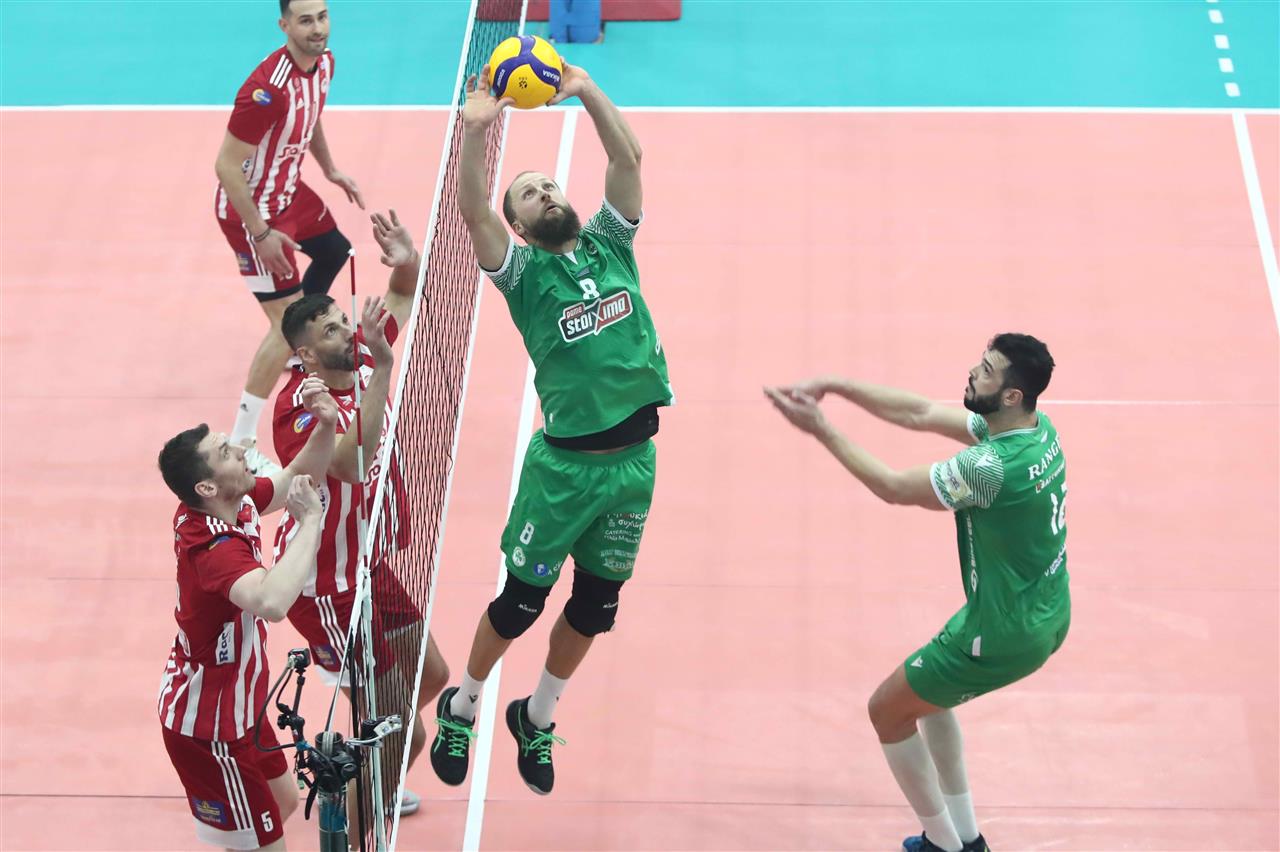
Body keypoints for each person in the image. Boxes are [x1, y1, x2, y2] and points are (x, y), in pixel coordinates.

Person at [430, 61, 674, 796]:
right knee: (519, 604)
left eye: (549, 185)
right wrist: (477, 133)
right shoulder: (524, 278)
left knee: (596, 608)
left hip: (634, 465)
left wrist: (588, 90)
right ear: (520, 227)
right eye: (529, 194)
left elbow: (628, 157)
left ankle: (535, 717)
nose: (545, 194)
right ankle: (464, 705)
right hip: (564, 472)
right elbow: (474, 214)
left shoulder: (610, 244)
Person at [764, 333, 1071, 852]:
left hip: (1003, 632)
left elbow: (892, 486)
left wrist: (820, 428)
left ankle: (944, 845)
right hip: (1045, 610)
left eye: (987, 370)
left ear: (1011, 394)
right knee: (928, 698)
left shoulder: (988, 468)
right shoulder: (1036, 430)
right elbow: (920, 412)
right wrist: (836, 385)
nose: (973, 372)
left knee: (887, 710)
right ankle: (965, 837)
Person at [272, 211, 448, 815]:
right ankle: (354, 806)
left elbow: (402, 292)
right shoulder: (301, 406)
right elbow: (351, 463)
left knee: (431, 676)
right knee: (403, 734)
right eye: (331, 330)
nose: (347, 331)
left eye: (344, 320)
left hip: (368, 565)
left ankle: (367, 767)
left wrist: (406, 258)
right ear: (305, 354)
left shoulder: (362, 356)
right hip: (327, 586)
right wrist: (384, 369)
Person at [156, 379, 338, 850]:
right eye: (225, 451)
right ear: (206, 485)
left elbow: (291, 480)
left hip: (241, 706)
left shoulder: (229, 502)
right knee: (265, 843)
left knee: (283, 803)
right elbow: (272, 602)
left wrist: (326, 425)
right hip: (209, 728)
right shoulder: (213, 549)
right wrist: (311, 522)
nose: (240, 448)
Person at [213, 0, 365, 470]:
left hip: (290, 194)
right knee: (282, 327)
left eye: (322, 16)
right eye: (305, 20)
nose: (317, 28)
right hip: (251, 214)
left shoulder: (325, 63)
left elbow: (311, 116)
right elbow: (226, 166)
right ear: (284, 26)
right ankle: (241, 442)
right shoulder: (266, 92)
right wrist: (260, 234)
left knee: (336, 250)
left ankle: (301, 342)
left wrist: (331, 169)